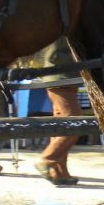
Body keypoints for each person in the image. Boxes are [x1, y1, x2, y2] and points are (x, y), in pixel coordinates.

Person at [35, 39, 82, 186]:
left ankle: (59, 172)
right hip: (60, 72)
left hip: (62, 72)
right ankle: (48, 159)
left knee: (61, 123)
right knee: (74, 120)